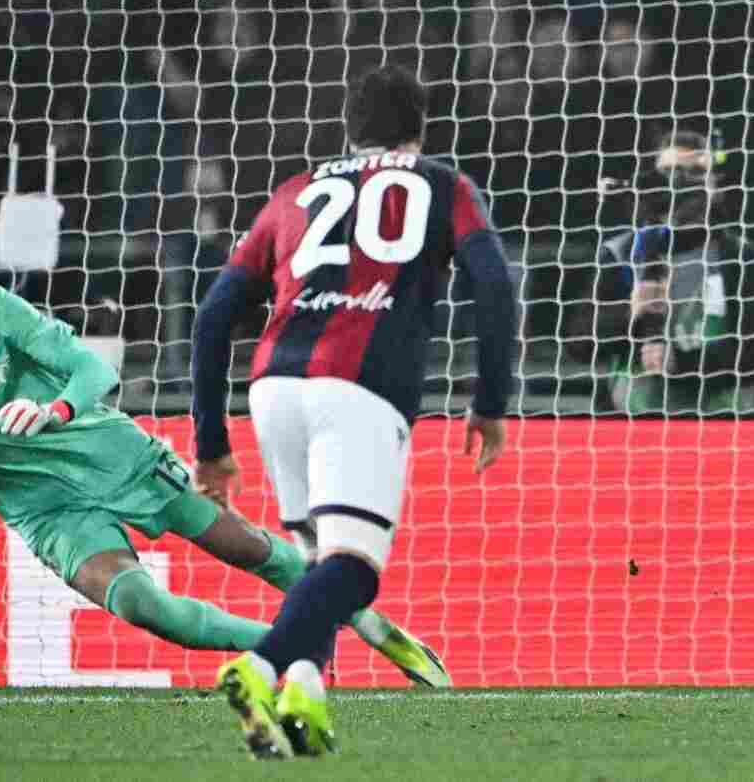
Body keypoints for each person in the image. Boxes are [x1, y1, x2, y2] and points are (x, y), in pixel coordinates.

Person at [0, 226, 446, 687]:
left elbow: (94, 367)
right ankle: (291, 646)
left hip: (113, 454)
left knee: (245, 549)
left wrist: (56, 410)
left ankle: (365, 621)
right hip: (44, 510)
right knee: (141, 607)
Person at [190, 65, 519, 759]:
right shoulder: (443, 184)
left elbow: (214, 313)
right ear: (419, 130)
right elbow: (494, 285)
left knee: (319, 566)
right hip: (360, 387)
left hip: (273, 388)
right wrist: (490, 401)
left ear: (348, 127)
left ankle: (305, 693)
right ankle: (261, 666)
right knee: (356, 568)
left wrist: (211, 442)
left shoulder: (295, 191)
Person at [567, 129, 754, 414]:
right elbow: (579, 345)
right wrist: (630, 315)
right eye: (669, 172)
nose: (678, 183)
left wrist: (683, 363)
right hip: (632, 420)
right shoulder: (621, 253)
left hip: (722, 421)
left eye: (692, 173)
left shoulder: (740, 257)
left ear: (715, 183)